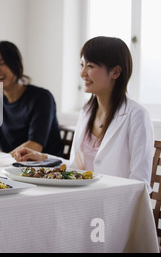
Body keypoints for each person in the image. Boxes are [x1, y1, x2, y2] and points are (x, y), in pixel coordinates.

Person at [14, 36, 154, 192]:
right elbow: (76, 167)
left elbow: (140, 184)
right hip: (83, 199)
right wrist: (43, 158)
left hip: (117, 206)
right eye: (82, 65)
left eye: (90, 66)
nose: (82, 73)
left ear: (115, 72)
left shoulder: (137, 116)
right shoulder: (86, 111)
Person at [0, 41, 63, 157]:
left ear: (16, 65)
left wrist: (2, 161)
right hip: (10, 168)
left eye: (1, 63)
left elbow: (35, 145)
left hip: (45, 169)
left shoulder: (42, 98)